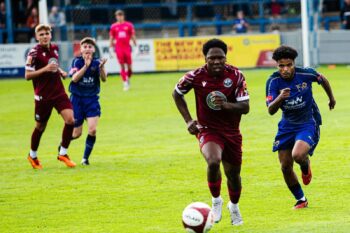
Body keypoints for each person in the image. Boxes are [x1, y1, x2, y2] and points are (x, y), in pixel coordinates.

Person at [172, 39, 250, 225]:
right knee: (213, 161)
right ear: (205, 58)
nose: (216, 62)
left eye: (220, 58)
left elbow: (245, 107)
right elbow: (177, 93)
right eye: (211, 58)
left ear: (226, 57)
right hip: (208, 129)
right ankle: (216, 201)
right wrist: (189, 120)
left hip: (231, 131)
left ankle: (234, 207)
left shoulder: (236, 76)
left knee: (233, 175)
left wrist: (225, 105)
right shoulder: (195, 76)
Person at [265, 45, 336, 209]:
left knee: (298, 155)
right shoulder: (273, 82)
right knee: (285, 166)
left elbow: (322, 79)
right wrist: (281, 97)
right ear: (277, 66)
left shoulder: (306, 73)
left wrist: (331, 99)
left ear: (294, 63)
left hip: (307, 121)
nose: (285, 69)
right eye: (281, 66)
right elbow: (270, 110)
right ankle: (301, 199)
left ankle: (305, 166)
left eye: (289, 64)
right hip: (287, 125)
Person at [25, 24, 76, 169]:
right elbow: (27, 75)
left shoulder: (54, 48)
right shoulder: (33, 53)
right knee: (40, 127)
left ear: (50, 35)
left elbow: (53, 64)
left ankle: (63, 153)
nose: (44, 36)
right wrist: (45, 69)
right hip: (43, 96)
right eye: (41, 34)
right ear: (37, 37)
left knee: (71, 120)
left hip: (58, 92)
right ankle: (32, 155)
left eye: (46, 33)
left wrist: (60, 71)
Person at [68, 37, 107, 165]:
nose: (87, 49)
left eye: (90, 47)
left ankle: (85, 159)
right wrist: (86, 66)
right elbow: (74, 79)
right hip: (77, 99)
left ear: (94, 49)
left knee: (92, 130)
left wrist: (101, 68)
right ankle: (63, 145)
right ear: (81, 49)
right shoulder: (76, 62)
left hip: (91, 100)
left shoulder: (97, 63)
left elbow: (104, 79)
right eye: (85, 46)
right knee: (76, 133)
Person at [109, 9, 137, 91]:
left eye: (121, 15)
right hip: (119, 48)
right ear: (116, 17)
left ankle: (127, 78)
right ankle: (125, 82)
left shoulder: (129, 25)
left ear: (123, 16)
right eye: (118, 15)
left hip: (127, 48)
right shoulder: (114, 26)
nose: (120, 17)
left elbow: (133, 36)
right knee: (121, 65)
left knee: (130, 68)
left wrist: (136, 46)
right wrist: (110, 48)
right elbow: (111, 38)